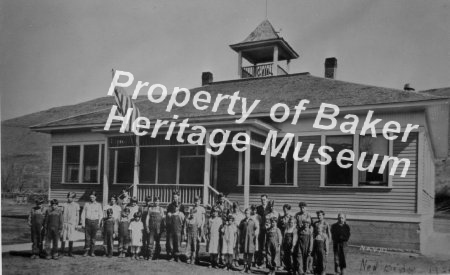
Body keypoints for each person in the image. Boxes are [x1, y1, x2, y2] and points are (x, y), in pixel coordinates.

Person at [81, 192, 103, 257]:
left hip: (95, 222)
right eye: (90, 197)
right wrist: (83, 223)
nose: (91, 198)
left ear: (95, 197)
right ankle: (86, 251)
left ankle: (92, 252)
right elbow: (83, 214)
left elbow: (100, 215)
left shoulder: (98, 205)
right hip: (88, 221)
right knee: (87, 238)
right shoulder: (86, 204)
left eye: (93, 197)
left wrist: (99, 223)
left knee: (93, 238)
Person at [145, 196, 165, 260]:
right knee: (150, 242)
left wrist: (163, 228)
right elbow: (147, 218)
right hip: (151, 228)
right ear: (153, 201)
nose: (156, 202)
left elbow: (163, 219)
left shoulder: (161, 209)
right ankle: (150, 255)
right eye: (155, 201)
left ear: (159, 202)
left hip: (158, 228)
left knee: (158, 242)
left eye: (158, 201)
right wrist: (147, 226)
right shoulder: (150, 209)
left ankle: (157, 255)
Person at [239, 208, 259, 273]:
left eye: (248, 213)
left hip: (251, 240)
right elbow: (240, 230)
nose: (246, 214)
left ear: (250, 214)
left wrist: (255, 237)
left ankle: (249, 267)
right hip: (244, 240)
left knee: (250, 254)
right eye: (246, 213)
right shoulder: (242, 221)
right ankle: (244, 267)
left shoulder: (253, 221)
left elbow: (256, 229)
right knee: (245, 254)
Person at [61, 192, 80, 257]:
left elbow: (77, 215)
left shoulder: (76, 205)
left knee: (71, 238)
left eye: (71, 197)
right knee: (63, 238)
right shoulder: (64, 205)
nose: (69, 198)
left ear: (74, 198)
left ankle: (70, 252)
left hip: (72, 224)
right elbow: (62, 214)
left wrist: (77, 224)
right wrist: (61, 223)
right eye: (68, 197)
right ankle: (62, 252)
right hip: (65, 223)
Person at [312, 210, 331, 275]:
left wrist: (327, 244)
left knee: (323, 258)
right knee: (316, 257)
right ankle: (316, 270)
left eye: (320, 215)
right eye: (318, 215)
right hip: (316, 241)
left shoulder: (326, 223)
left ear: (323, 216)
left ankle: (323, 271)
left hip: (323, 241)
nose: (318, 216)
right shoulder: (315, 223)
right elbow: (314, 233)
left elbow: (329, 234)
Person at [166, 191, 185, 257]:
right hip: (171, 226)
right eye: (174, 197)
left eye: (176, 197)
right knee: (171, 241)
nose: (175, 198)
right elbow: (167, 214)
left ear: (179, 197)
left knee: (177, 241)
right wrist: (169, 214)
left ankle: (177, 256)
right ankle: (171, 255)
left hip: (178, 226)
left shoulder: (181, 205)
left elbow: (183, 217)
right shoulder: (170, 205)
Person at [255, 194, 270, 268]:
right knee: (261, 245)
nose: (263, 201)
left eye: (264, 199)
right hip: (261, 229)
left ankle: (268, 262)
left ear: (267, 199)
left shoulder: (270, 208)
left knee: (267, 245)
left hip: (268, 229)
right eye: (261, 200)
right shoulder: (258, 208)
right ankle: (261, 261)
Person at [230, 201, 244, 268]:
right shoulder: (231, 215)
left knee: (238, 246)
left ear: (239, 208)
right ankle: (232, 260)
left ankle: (237, 260)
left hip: (239, 232)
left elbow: (243, 224)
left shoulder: (241, 215)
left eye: (237, 208)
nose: (236, 209)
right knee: (233, 246)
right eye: (234, 208)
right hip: (232, 232)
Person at [192, 195, 206, 263]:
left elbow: (203, 218)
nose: (196, 202)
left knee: (198, 241)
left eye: (197, 201)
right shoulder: (193, 208)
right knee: (193, 241)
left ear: (200, 201)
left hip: (200, 227)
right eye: (195, 201)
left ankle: (197, 255)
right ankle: (193, 256)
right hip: (194, 227)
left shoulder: (202, 209)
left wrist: (202, 225)